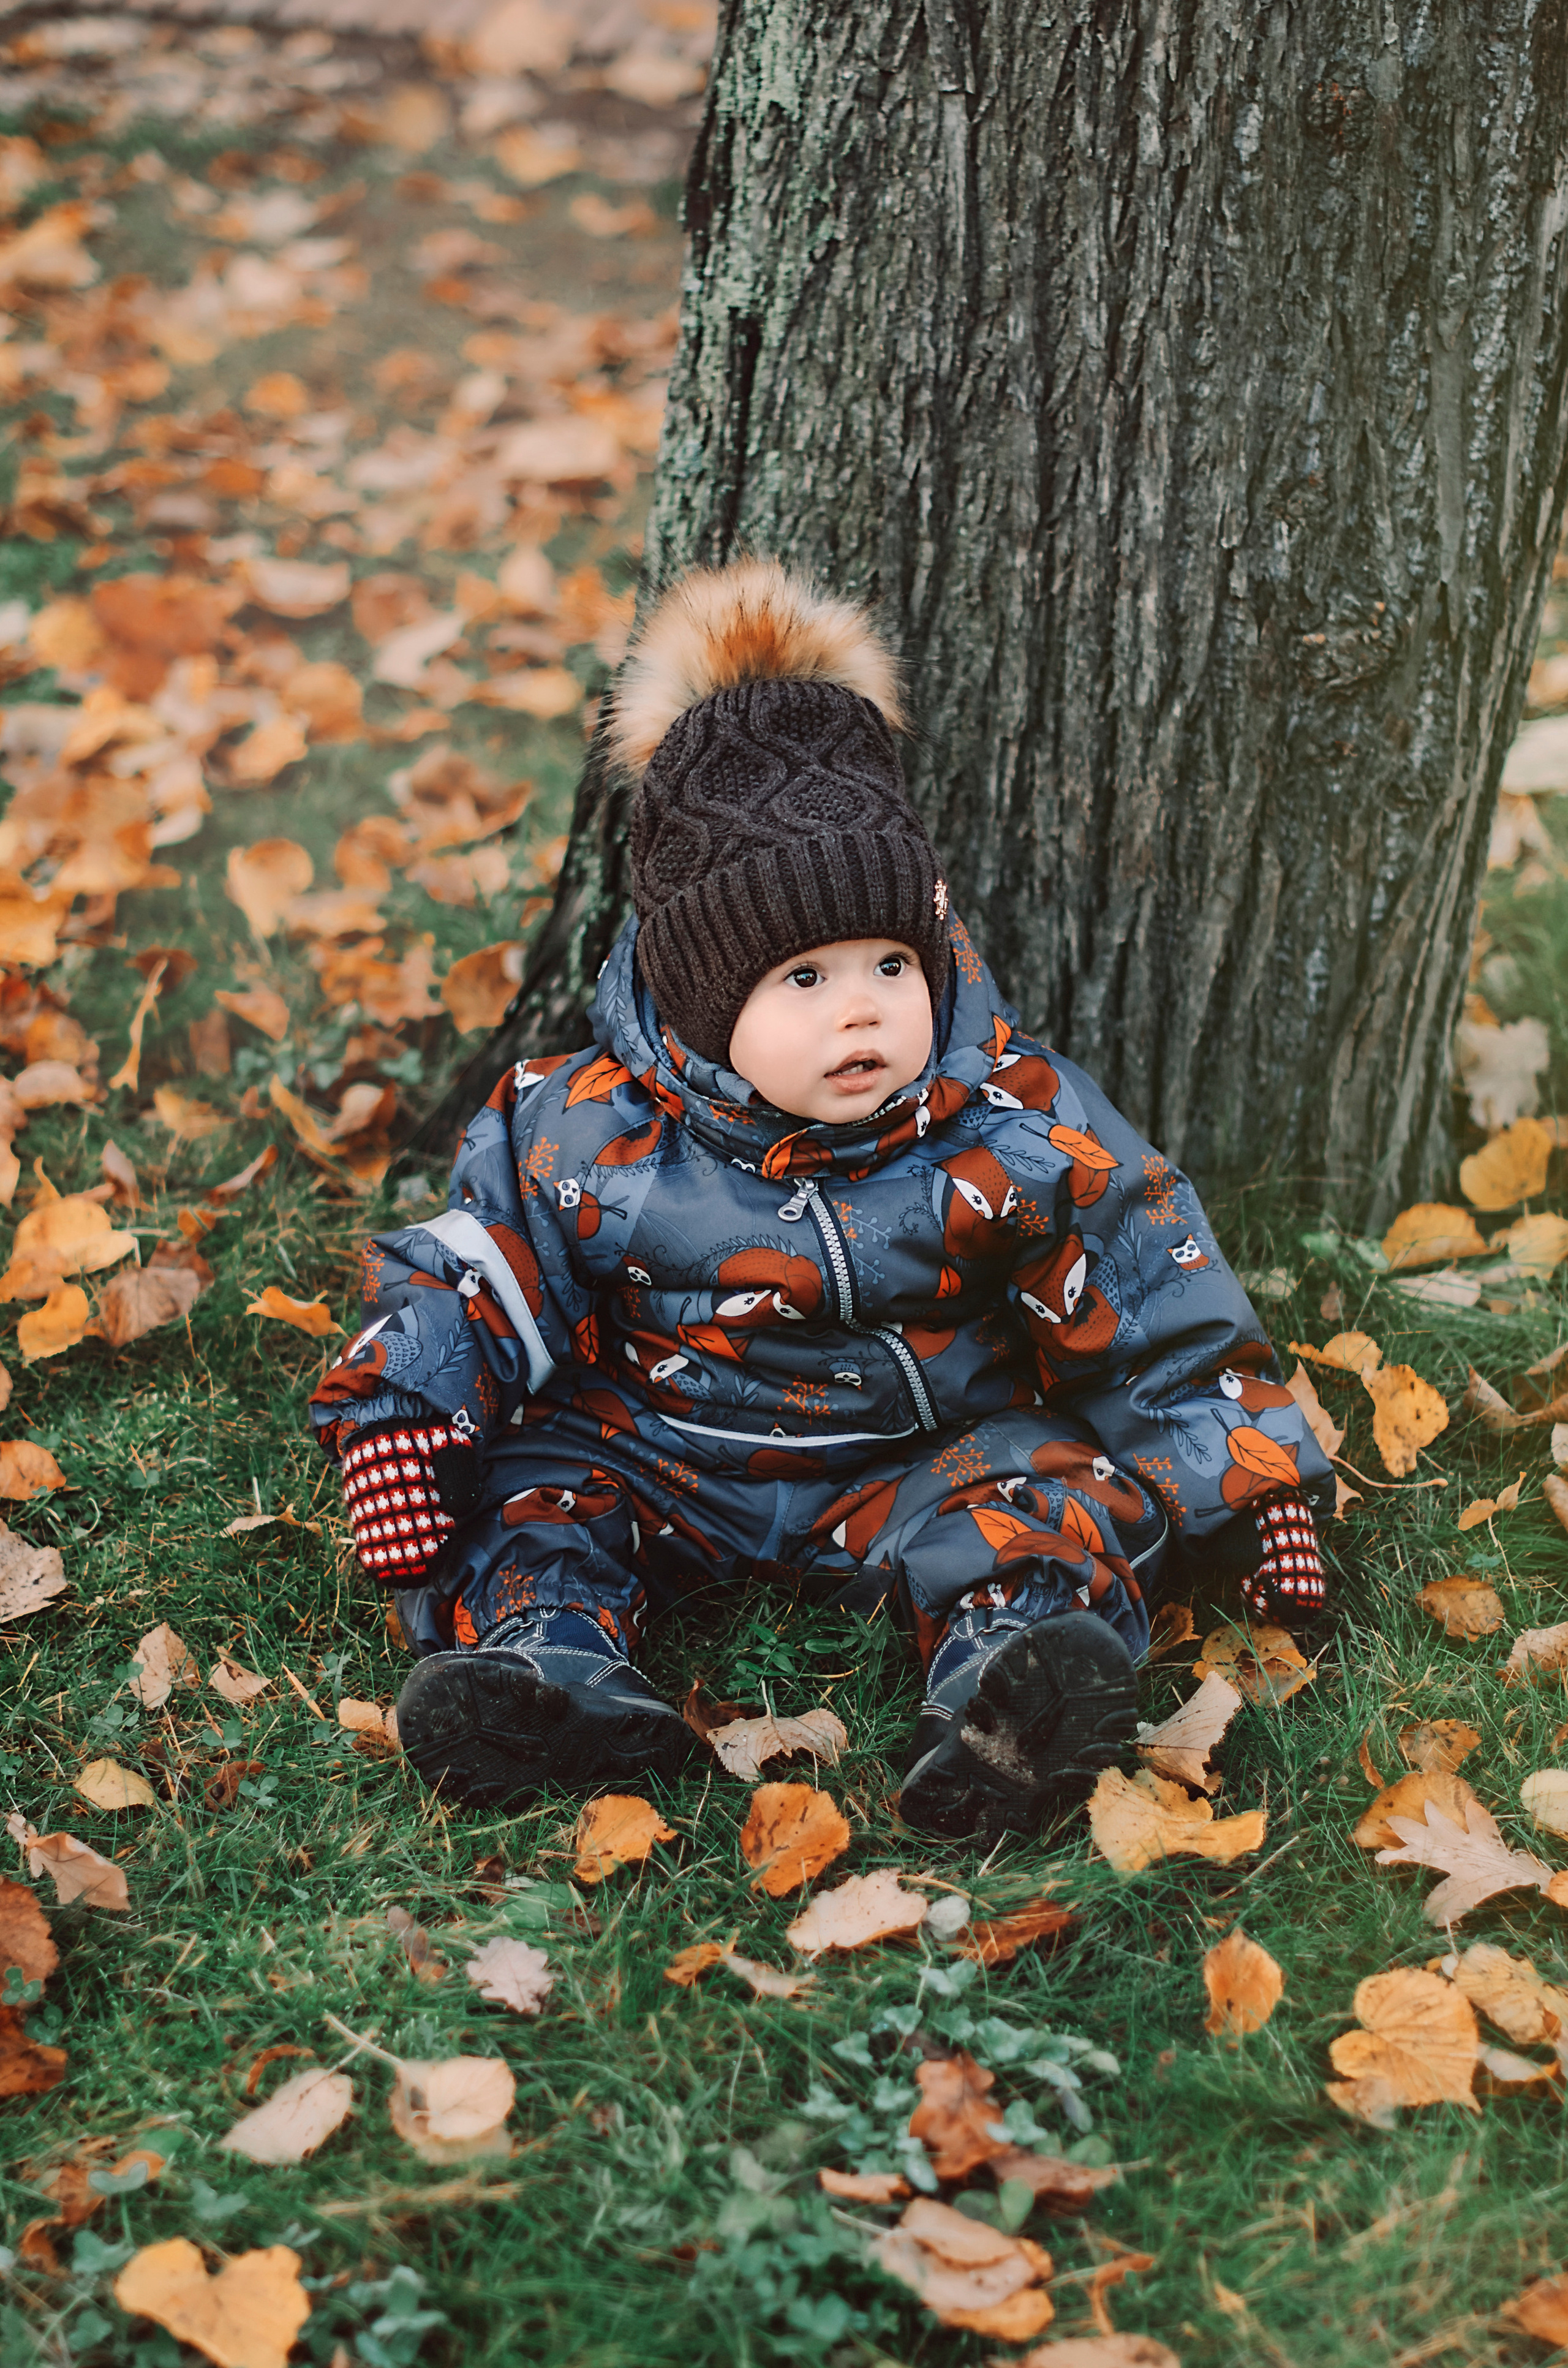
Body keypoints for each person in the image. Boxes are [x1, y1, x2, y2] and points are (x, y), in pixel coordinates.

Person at [310, 557, 1332, 1839]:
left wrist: (1247, 1482)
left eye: (888, 963)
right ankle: (546, 1667)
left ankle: (1005, 1689)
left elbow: (1148, 1291)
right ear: (700, 995)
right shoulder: (586, 1125)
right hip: (664, 1451)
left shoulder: (1012, 1115)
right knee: (527, 1485)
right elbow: (475, 1263)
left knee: (1033, 1491)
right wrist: (403, 1410)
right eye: (801, 978)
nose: (858, 1005)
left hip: (913, 1461)